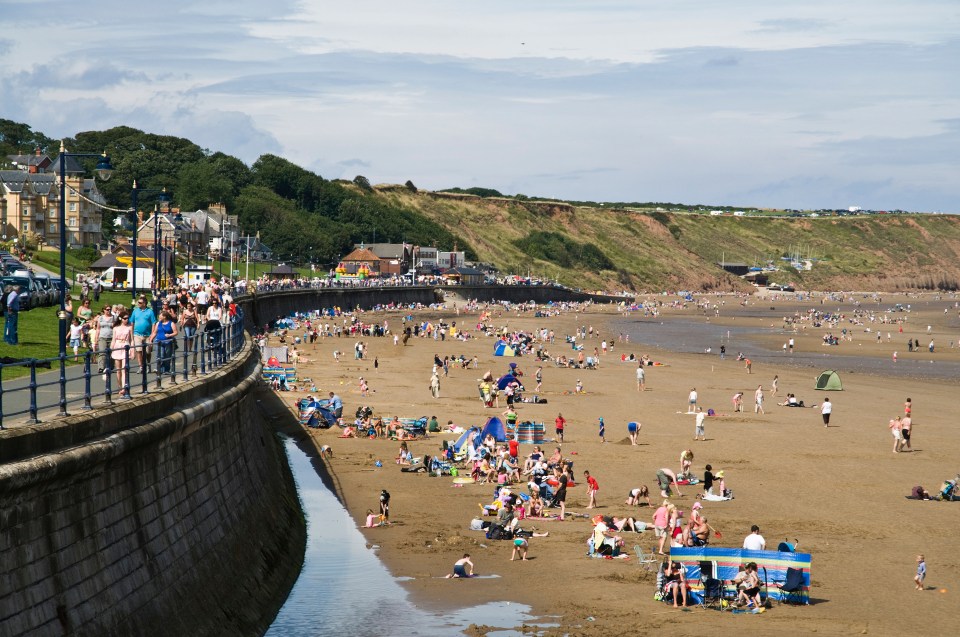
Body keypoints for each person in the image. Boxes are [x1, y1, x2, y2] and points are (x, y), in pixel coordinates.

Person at [130, 296, 156, 373]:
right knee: (139, 350)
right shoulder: (135, 311)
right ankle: (141, 366)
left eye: (140, 303)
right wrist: (132, 334)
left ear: (144, 304)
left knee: (148, 351)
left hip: (147, 335)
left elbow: (153, 323)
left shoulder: (150, 311)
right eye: (138, 302)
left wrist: (152, 334)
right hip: (137, 334)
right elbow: (132, 322)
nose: (138, 304)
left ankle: (148, 365)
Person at [149, 310, 179, 375]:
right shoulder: (158, 323)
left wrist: (170, 335)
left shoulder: (171, 323)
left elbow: (176, 332)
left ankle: (166, 369)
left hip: (168, 342)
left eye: (160, 317)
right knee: (160, 355)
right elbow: (154, 332)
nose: (159, 318)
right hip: (159, 342)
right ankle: (159, 369)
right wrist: (151, 340)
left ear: (164, 317)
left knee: (167, 356)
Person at [110, 312, 133, 395]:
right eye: (125, 318)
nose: (126, 320)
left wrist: (132, 350)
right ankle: (119, 386)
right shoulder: (115, 328)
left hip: (125, 347)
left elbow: (132, 340)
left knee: (124, 369)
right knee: (118, 370)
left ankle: (124, 387)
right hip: (117, 346)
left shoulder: (130, 327)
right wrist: (110, 350)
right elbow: (113, 340)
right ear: (121, 319)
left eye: (127, 318)